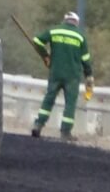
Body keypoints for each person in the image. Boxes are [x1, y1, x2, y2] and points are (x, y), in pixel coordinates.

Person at [31, 11, 93, 141]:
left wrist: (45, 55)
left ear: (65, 20)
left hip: (55, 72)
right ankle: (65, 132)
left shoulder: (54, 31)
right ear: (76, 22)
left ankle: (38, 124)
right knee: (70, 103)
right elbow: (85, 59)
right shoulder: (80, 36)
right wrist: (89, 75)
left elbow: (37, 41)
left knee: (49, 99)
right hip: (72, 76)